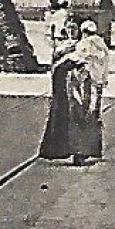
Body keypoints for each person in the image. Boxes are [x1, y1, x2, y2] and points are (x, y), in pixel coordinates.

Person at [53, 20, 108, 165]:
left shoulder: (84, 44)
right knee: (92, 117)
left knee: (78, 117)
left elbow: (74, 61)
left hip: (82, 84)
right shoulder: (102, 45)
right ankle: (91, 150)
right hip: (96, 85)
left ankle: (79, 152)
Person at [39, 20, 81, 162]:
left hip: (68, 83)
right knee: (58, 112)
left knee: (65, 113)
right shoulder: (63, 45)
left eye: (73, 29)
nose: (71, 31)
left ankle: (63, 148)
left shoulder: (78, 45)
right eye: (69, 29)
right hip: (58, 82)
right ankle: (54, 149)